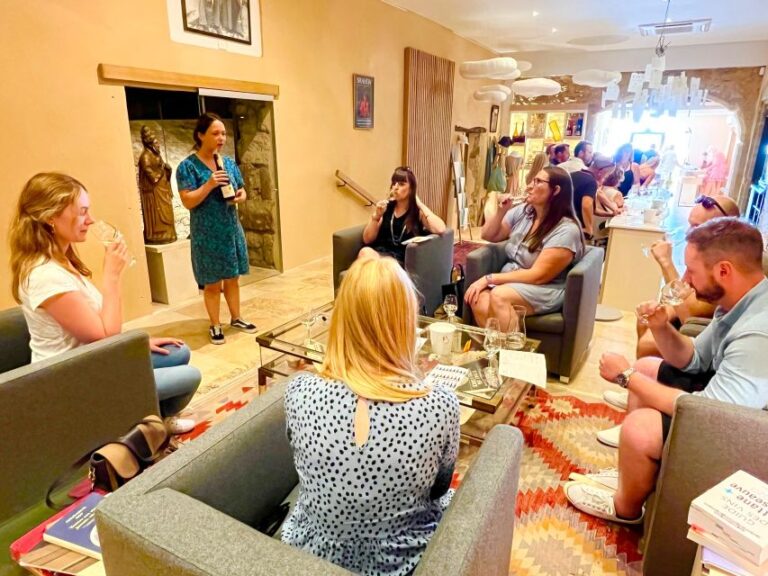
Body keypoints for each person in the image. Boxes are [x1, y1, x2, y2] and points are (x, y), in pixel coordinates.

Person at [565, 218, 768, 525]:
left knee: (640, 426)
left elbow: (709, 412)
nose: (685, 279)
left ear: (724, 270)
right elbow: (696, 358)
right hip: (723, 405)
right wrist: (660, 326)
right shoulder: (739, 302)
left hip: (744, 433)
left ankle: (625, 509)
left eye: (692, 270)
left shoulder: (758, 333)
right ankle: (631, 474)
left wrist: (625, 377)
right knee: (647, 367)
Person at [281, 256, 460, 575]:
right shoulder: (441, 405)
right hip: (399, 563)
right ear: (406, 321)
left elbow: (300, 462)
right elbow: (440, 487)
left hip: (311, 560)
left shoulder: (299, 391)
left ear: (342, 317)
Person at [9, 172, 200, 434]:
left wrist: (137, 343)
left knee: (180, 352)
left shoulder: (62, 260)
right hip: (70, 378)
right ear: (51, 217)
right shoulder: (44, 274)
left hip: (94, 359)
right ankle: (138, 426)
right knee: (189, 376)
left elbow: (99, 327)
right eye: (82, 212)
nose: (91, 220)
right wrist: (112, 275)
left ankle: (148, 419)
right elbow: (104, 337)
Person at [602, 194, 741, 414]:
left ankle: (645, 401)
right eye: (690, 224)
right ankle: (639, 393)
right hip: (696, 328)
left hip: (703, 332)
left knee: (650, 343)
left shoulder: (725, 266)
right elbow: (681, 294)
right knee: (646, 322)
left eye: (697, 226)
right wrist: (658, 311)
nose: (688, 232)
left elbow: (690, 315)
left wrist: (666, 262)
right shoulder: (704, 253)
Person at [464, 166, 585, 330]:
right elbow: (489, 235)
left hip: (544, 287)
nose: (529, 186)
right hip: (512, 280)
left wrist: (489, 279)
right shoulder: (524, 212)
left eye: (538, 182)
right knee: (477, 298)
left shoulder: (566, 230)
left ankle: (510, 351)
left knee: (499, 296)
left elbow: (538, 276)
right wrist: (501, 211)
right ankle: (497, 351)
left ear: (556, 190)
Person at [176, 112, 257, 345]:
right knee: (212, 283)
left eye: (223, 133)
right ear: (200, 135)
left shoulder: (228, 162)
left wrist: (240, 197)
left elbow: (242, 190)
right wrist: (209, 184)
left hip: (231, 229)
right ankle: (215, 324)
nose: (221, 137)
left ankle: (237, 317)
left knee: (232, 278)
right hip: (207, 233)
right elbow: (188, 201)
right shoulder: (187, 167)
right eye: (215, 133)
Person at [360, 166, 446, 265]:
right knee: (365, 252)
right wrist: (376, 217)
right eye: (393, 183)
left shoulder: (417, 212)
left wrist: (420, 204)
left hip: (400, 261)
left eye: (401, 184)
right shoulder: (387, 207)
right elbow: (367, 239)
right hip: (381, 255)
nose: (395, 187)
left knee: (377, 266)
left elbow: (440, 229)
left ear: (411, 189)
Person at [138, 125, 177, 244]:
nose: (158, 145)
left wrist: (168, 170)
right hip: (153, 193)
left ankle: (169, 233)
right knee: (158, 214)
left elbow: (162, 168)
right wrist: (161, 170)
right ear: (150, 144)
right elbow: (152, 176)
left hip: (162, 189)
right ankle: (158, 235)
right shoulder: (145, 157)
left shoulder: (156, 154)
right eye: (156, 143)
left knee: (167, 211)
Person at [570, 154, 618, 239]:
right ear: (600, 172)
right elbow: (586, 205)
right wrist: (589, 228)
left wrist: (610, 214)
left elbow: (593, 209)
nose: (604, 179)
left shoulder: (573, 175)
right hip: (576, 226)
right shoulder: (591, 182)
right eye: (606, 175)